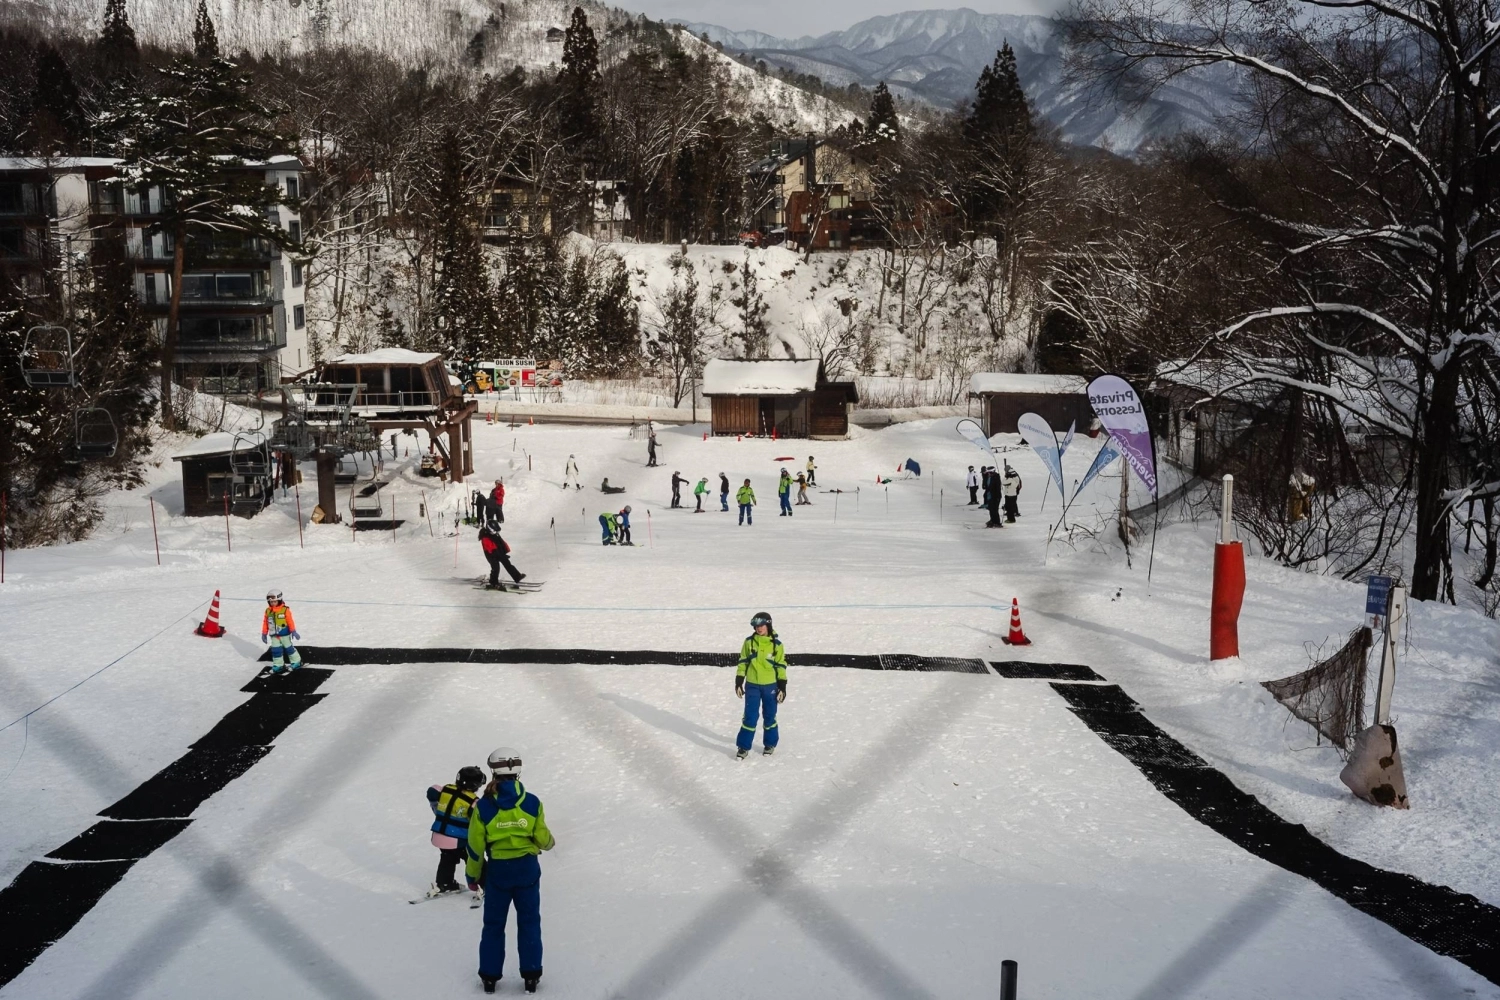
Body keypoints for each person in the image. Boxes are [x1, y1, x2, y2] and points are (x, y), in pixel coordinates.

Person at [467, 747, 555, 995]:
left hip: (498, 872)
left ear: (492, 772)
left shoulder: (483, 807)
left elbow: (475, 847)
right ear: (518, 771)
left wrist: (473, 876)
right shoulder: (531, 802)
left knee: (493, 925)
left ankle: (490, 978)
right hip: (527, 870)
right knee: (529, 922)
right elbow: (542, 838)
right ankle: (530, 976)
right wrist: (549, 843)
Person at [734, 612, 787, 759]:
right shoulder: (749, 642)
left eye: (762, 625)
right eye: (756, 626)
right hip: (752, 686)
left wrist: (782, 686)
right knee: (750, 717)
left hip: (770, 686)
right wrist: (739, 680)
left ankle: (770, 744)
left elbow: (781, 665)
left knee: (769, 716)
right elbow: (743, 661)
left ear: (768, 625)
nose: (759, 629)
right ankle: (743, 747)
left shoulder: (777, 645)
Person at [426, 765, 484, 896]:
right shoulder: (473, 802)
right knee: (473, 859)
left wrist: (436, 806)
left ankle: (445, 883)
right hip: (458, 839)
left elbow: (432, 790)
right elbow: (478, 821)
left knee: (448, 858)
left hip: (439, 836)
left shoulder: (445, 790)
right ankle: (483, 884)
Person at [261, 589, 303, 674]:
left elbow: (290, 621)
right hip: (274, 635)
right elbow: (265, 622)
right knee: (276, 650)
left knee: (289, 648)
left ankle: (296, 661)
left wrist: (293, 631)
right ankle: (279, 664)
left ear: (279, 600)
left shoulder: (285, 610)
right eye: (271, 602)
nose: (273, 603)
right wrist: (264, 633)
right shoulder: (268, 611)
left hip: (284, 634)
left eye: (275, 601)